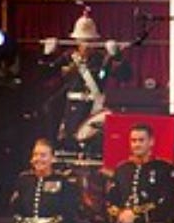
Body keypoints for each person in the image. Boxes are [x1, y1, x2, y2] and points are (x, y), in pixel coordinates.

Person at [46, 15, 130, 155]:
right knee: (69, 139)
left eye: (90, 40)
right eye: (82, 40)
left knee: (92, 142)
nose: (86, 44)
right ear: (76, 40)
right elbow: (45, 74)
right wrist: (47, 55)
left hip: (94, 108)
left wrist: (117, 56)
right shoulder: (68, 57)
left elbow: (125, 76)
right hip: (71, 108)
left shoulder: (103, 59)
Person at [107, 123, 174, 223]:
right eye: (133, 140)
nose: (137, 144)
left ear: (151, 142)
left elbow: (167, 201)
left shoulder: (163, 168)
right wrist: (121, 214)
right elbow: (111, 200)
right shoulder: (121, 169)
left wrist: (136, 215)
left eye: (141, 140)